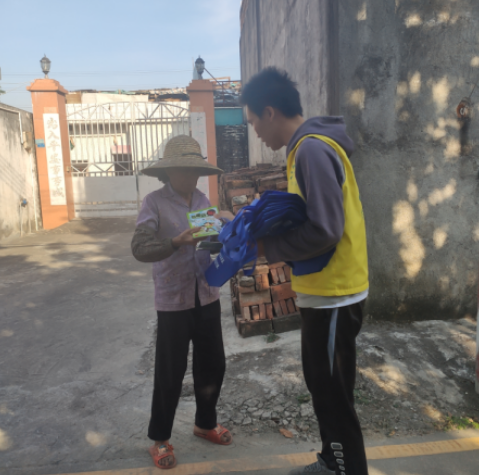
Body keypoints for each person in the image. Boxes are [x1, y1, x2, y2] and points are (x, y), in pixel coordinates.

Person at [241, 68, 369, 475]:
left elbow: (326, 230)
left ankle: (345, 468)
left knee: (333, 396)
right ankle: (332, 462)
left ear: (270, 112)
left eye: (253, 122)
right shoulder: (305, 149)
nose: (255, 132)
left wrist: (267, 248)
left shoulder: (311, 150)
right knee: (323, 386)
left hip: (334, 293)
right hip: (324, 291)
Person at [131, 135, 234, 470]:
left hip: (206, 294)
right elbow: (140, 248)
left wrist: (226, 227)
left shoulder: (203, 199)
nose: (191, 176)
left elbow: (209, 241)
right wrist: (175, 241)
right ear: (169, 172)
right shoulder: (154, 203)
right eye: (184, 170)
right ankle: (160, 438)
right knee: (170, 372)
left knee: (213, 365)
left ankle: (205, 424)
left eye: (195, 170)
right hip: (173, 299)